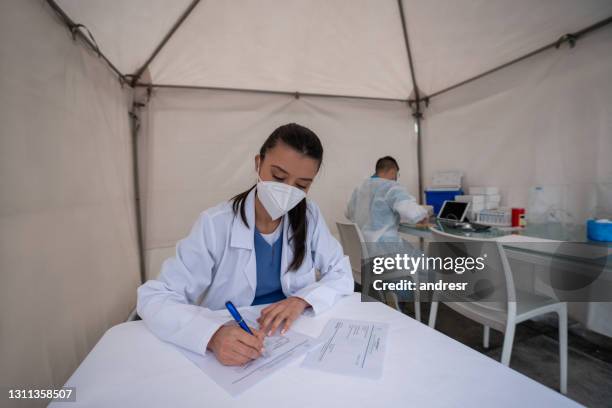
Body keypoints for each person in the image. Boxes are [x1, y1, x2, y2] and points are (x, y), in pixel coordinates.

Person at [137, 123, 353, 366]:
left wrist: (301, 301)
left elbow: (340, 273)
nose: (287, 190)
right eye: (279, 176)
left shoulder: (309, 216)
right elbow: (154, 297)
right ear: (258, 163)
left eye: (301, 185)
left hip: (292, 341)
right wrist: (212, 336)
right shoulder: (216, 224)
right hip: (235, 348)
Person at [346, 156, 428, 243]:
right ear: (393, 172)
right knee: (425, 256)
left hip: (363, 245)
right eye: (397, 174)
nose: (396, 178)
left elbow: (348, 213)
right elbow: (411, 211)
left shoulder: (360, 188)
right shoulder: (391, 186)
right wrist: (423, 215)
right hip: (385, 247)